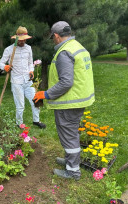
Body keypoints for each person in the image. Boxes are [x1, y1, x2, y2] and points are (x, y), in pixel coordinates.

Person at [33, 21, 95, 180]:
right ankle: (70, 162)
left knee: (68, 136)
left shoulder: (64, 52)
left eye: (52, 38)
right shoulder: (78, 47)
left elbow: (66, 82)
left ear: (56, 36)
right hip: (79, 100)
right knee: (71, 133)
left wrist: (45, 94)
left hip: (69, 102)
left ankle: (73, 171)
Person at [0, 26, 46, 129]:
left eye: (24, 39)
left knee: (35, 100)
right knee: (20, 105)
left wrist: (31, 71)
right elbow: (0, 63)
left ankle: (36, 121)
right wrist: (5, 67)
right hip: (16, 82)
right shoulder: (9, 49)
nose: (22, 41)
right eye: (20, 39)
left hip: (28, 80)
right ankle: (19, 123)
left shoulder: (28, 48)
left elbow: (30, 63)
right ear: (16, 38)